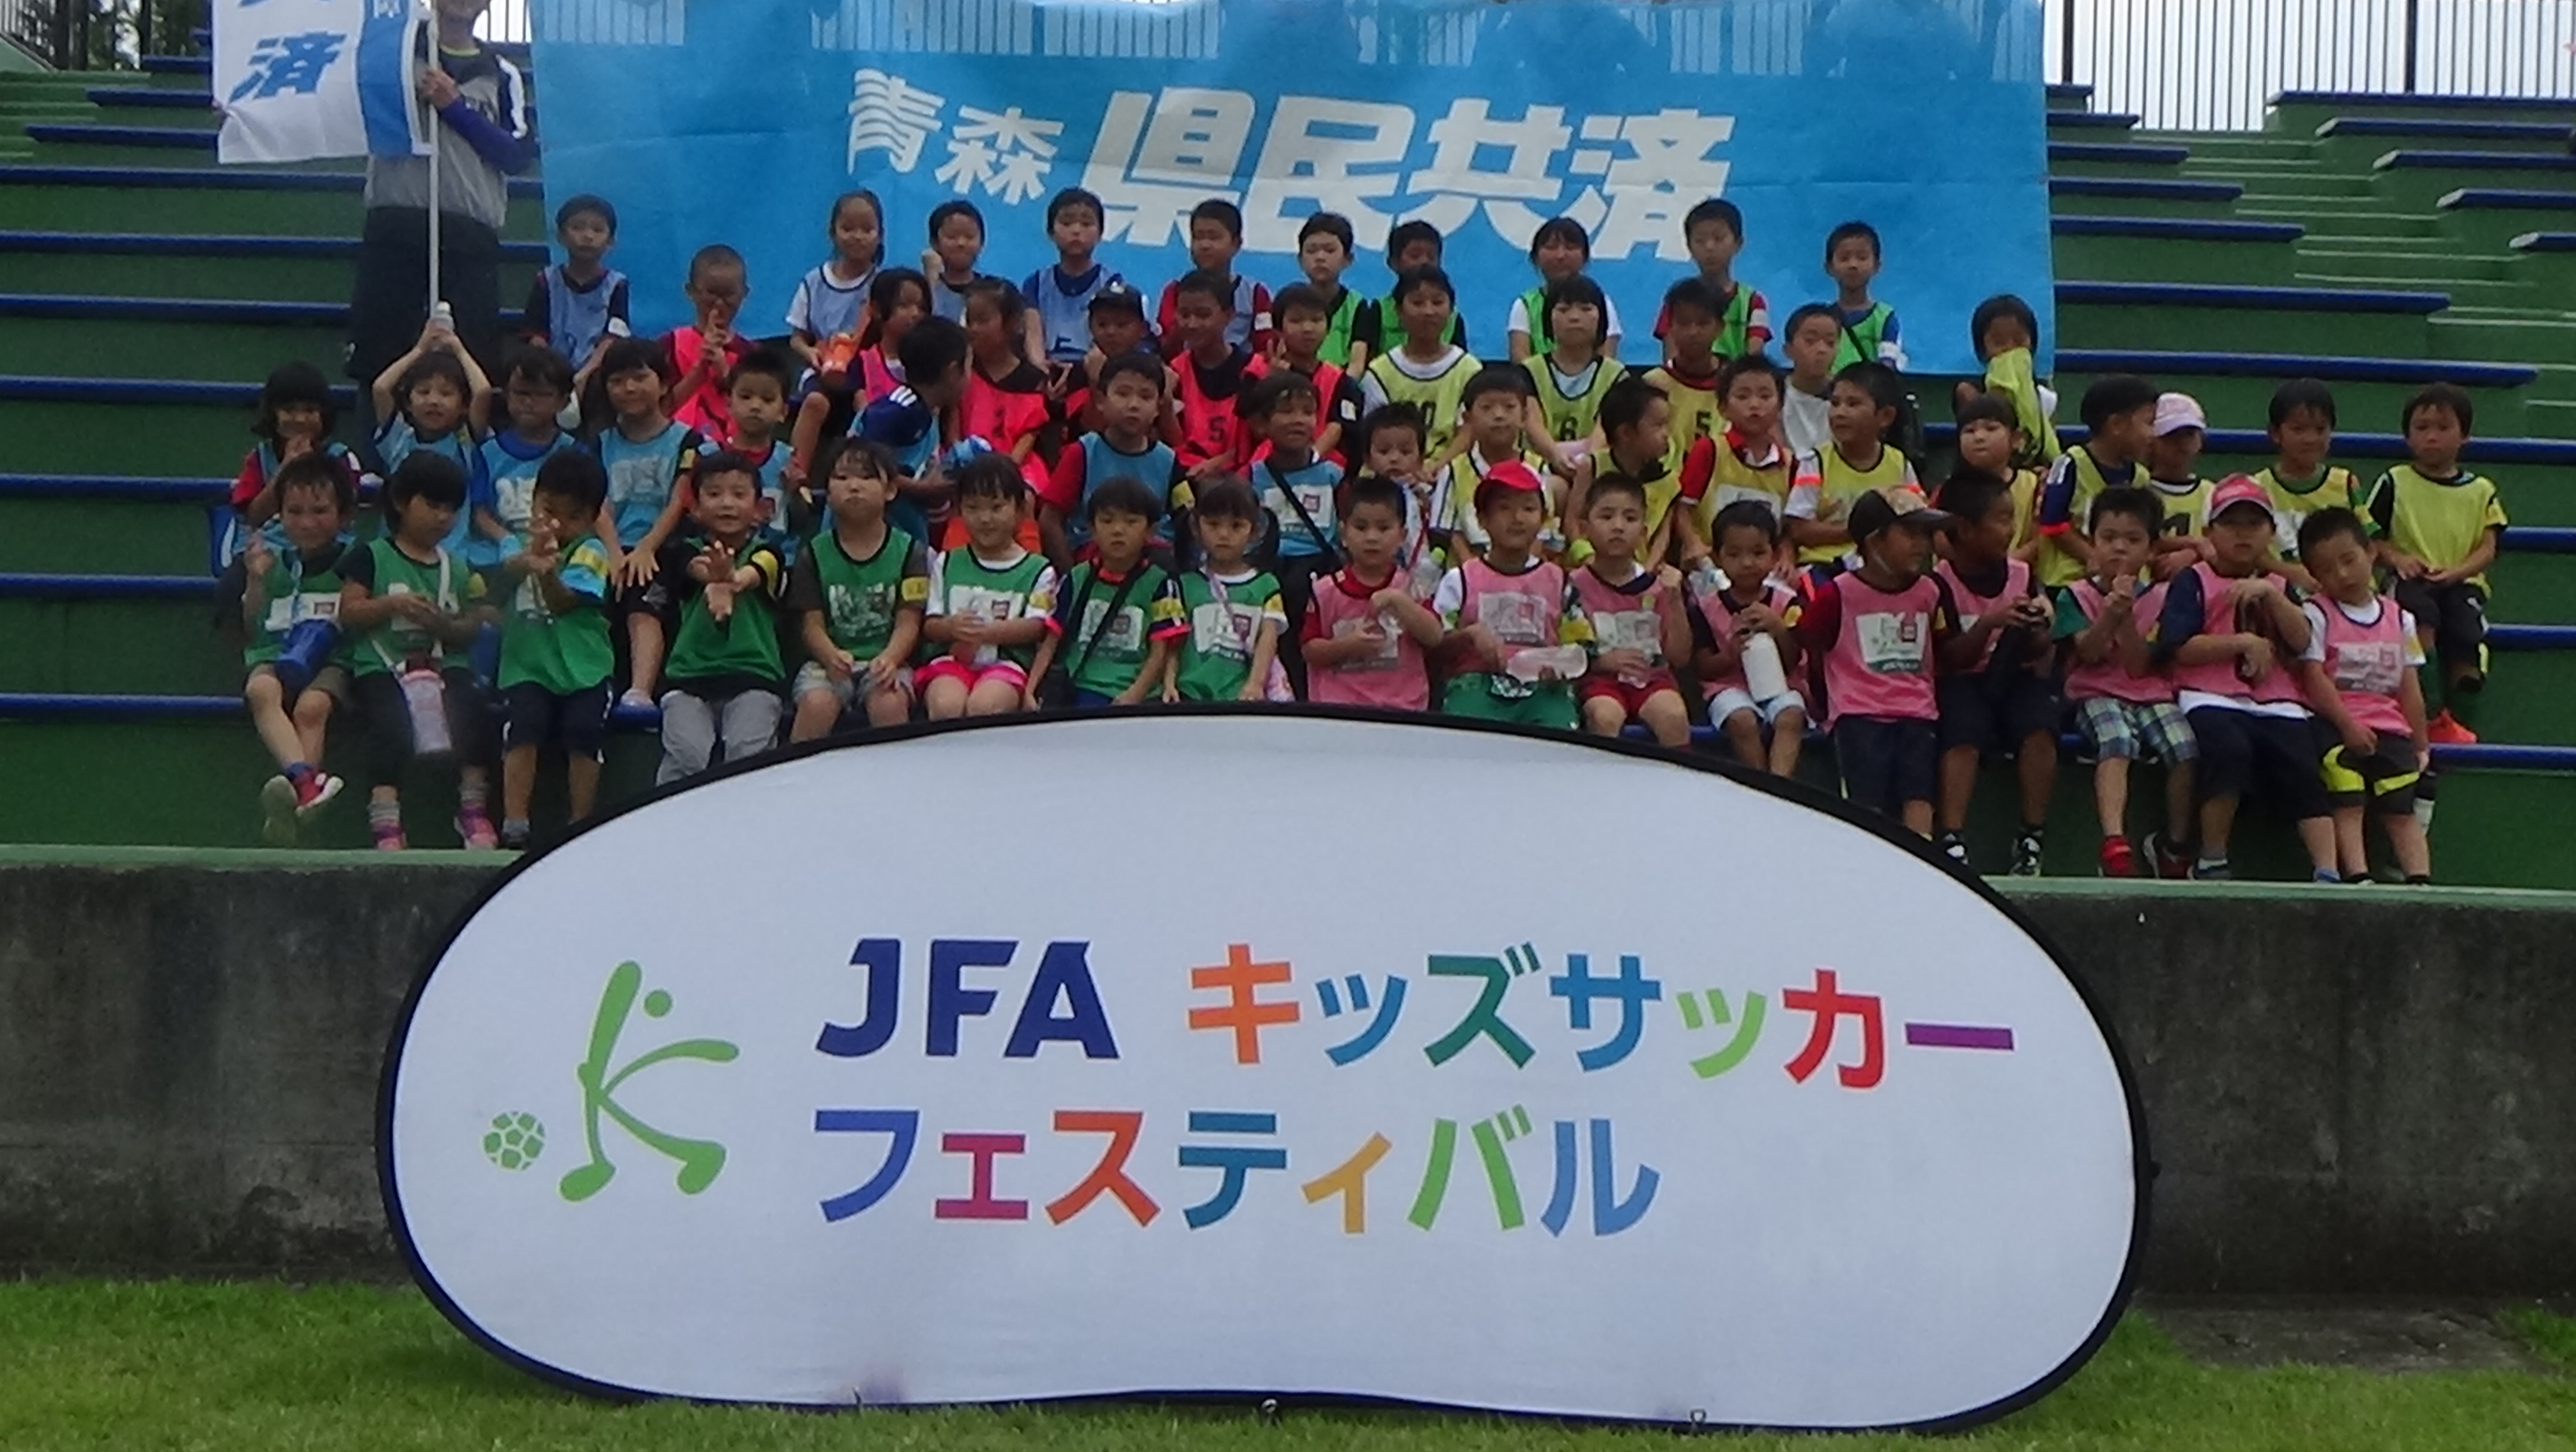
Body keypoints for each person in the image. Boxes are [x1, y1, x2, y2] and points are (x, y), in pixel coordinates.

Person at [2153, 474, 2340, 882]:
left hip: (2276, 697)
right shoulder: (2194, 579)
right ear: (2209, 532)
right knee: (2228, 751)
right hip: (2208, 693)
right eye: (2230, 524)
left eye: (2254, 525)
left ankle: (2328, 868)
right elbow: (2179, 646)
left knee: (2302, 761)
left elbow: (2302, 639)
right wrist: (2240, 643)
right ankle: (2213, 856)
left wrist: (2273, 597)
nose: (2243, 534)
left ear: (2271, 532)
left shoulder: (2277, 585)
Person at [347, 0, 530, 389]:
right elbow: (329, 106)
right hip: (396, 223)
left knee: (470, 360)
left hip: (468, 230)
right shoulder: (388, 55)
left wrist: (456, 108)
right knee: (381, 357)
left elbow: (515, 155)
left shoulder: (501, 73)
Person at [335, 454, 496, 850]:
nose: (442, 517)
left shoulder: (458, 567)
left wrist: (443, 625)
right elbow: (349, 611)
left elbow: (473, 624)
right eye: (432, 505)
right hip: (384, 664)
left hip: (443, 664)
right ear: (402, 502)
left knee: (474, 711)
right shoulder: (371, 556)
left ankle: (473, 810)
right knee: (388, 723)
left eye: (451, 509)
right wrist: (393, 606)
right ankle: (386, 822)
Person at [2053, 486, 2197, 879]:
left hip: (2149, 691)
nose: (2119, 549)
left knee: (2185, 746)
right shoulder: (2075, 595)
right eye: (2108, 538)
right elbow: (2089, 653)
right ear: (2093, 542)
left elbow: (2139, 666)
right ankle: (2114, 841)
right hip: (2094, 691)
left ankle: (2175, 844)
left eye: (2132, 540)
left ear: (2151, 550)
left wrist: (2128, 616)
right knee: (2117, 739)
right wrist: (2108, 615)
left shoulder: (2165, 597)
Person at [1798, 491, 1953, 835]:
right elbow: (1812, 647)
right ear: (1874, 541)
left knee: (1919, 793)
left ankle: (1922, 858)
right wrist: (1827, 706)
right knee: (1865, 802)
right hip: (1858, 714)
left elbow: (1944, 647)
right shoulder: (1836, 594)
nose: (1922, 545)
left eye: (1925, 536)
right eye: (1910, 534)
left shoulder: (1930, 592)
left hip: (1917, 713)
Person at [1931, 470, 2060, 876]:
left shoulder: (2022, 576)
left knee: (2040, 727)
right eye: (2001, 520)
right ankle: (1952, 837)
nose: (2011, 530)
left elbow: (2040, 650)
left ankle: (2031, 835)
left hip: (2015, 675)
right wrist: (1989, 623)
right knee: (1963, 733)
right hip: (1965, 679)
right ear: (1966, 529)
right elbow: (1951, 657)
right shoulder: (1941, 583)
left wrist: (2037, 628)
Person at [220, 452, 353, 843]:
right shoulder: (273, 562)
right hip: (275, 653)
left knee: (313, 707)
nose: (307, 522)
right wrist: (256, 581)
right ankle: (304, 786)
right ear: (279, 515)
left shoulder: (354, 561)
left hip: (332, 659)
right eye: (294, 512)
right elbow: (253, 626)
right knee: (260, 689)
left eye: (320, 511)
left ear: (344, 515)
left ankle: (294, 805)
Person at [2296, 507, 2434, 884]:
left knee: (2401, 809)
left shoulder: (2399, 618)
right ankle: (2357, 875)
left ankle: (2419, 879)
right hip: (2336, 724)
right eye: (2327, 569)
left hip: (2390, 727)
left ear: (2371, 552)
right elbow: (2314, 677)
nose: (2342, 574)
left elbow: (2409, 685)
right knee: (2348, 800)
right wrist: (2347, 724)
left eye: (2349, 560)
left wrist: (2421, 743)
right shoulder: (2317, 614)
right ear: (2313, 576)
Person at [2368, 382, 2504, 747]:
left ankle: (2459, 716)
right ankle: (2428, 711)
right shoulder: (2394, 481)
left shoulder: (2481, 490)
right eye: (2422, 428)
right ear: (2408, 436)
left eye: (2443, 428)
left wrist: (2459, 572)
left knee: (2466, 633)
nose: (2432, 437)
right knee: (2419, 622)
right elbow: (2371, 539)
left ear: (2465, 435)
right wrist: (2399, 559)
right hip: (2410, 579)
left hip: (2462, 582)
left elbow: (2488, 546)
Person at [495, 450, 616, 850]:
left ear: (592, 517)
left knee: (583, 732)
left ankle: (580, 824)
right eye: (548, 508)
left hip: (585, 670)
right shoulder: (514, 543)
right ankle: (515, 823)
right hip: (527, 666)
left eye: (573, 516)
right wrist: (530, 557)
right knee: (523, 726)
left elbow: (565, 602)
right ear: (534, 501)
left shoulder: (592, 551)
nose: (559, 524)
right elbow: (503, 574)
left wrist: (547, 571)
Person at [657, 452, 789, 782]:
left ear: (760, 510)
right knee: (687, 756)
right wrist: (715, 577)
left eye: (739, 494)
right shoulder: (680, 551)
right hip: (688, 679)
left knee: (748, 757)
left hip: (754, 678)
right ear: (696, 508)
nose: (727, 503)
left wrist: (730, 580)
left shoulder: (769, 552)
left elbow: (755, 573)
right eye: (714, 494)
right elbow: (697, 569)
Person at [786, 440, 929, 741]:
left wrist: (890, 659)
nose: (854, 486)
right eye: (842, 478)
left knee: (889, 703)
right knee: (817, 703)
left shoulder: (910, 552)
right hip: (829, 661)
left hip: (886, 660)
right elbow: (811, 624)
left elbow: (909, 621)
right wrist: (830, 656)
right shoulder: (812, 554)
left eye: (866, 478)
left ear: (890, 490)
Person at [595, 337, 704, 709]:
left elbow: (680, 500)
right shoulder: (601, 443)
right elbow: (600, 505)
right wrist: (613, 552)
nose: (628, 388)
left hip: (666, 546)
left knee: (644, 598)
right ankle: (596, 685)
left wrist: (645, 548)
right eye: (617, 380)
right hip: (611, 544)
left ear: (663, 383)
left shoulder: (687, 441)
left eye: (640, 377)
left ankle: (640, 690)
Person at [1435, 461, 1579, 729]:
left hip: (1543, 691)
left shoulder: (1560, 582)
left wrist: (1562, 666)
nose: (1517, 518)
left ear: (1543, 518)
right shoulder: (1460, 580)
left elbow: (1582, 644)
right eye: (1504, 508)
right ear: (1482, 519)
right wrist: (1468, 636)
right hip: (1475, 686)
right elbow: (1435, 644)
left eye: (1528, 508)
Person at [1028, 478, 1187, 709]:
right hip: (1078, 687)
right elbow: (1052, 640)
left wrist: (1135, 694)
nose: (1118, 530)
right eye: (1107, 521)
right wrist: (1031, 689)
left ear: (1150, 531)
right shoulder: (1075, 578)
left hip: (1131, 694)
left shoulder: (1161, 583)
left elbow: (1159, 652)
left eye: (1131, 522)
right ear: (1092, 528)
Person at [920, 454, 1058, 720]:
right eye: (973, 508)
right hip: (952, 662)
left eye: (996, 508)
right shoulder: (946, 561)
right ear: (960, 510)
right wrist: (951, 627)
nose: (985, 519)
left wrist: (984, 632)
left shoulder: (1039, 570)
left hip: (1006, 666)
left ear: (1020, 510)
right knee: (946, 705)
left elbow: (1036, 627)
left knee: (984, 707)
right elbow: (930, 623)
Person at [1565, 474, 1691, 746]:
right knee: (1604, 716)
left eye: (1630, 519)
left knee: (1674, 715)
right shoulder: (1573, 586)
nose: (1618, 527)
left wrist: (1675, 600)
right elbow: (1567, 651)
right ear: (1585, 528)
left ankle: (1677, 785)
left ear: (1644, 532)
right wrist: (1601, 662)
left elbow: (1679, 657)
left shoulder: (1660, 587)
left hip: (1653, 679)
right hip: (1600, 681)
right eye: (1607, 517)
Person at [1301, 474, 1443, 711]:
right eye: (1361, 527)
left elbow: (1435, 637)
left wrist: (1398, 600)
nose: (1372, 537)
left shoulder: (1412, 587)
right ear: (1344, 534)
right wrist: (1347, 646)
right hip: (1339, 710)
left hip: (1402, 709)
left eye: (1384, 528)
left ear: (1401, 536)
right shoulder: (1325, 591)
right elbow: (1309, 650)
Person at [1687, 500, 1806, 775]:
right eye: (1734, 554)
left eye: (1758, 553)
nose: (1748, 563)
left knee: (1791, 715)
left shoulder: (1787, 603)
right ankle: (1759, 782)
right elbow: (1703, 667)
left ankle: (1779, 786)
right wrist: (1730, 654)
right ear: (1717, 557)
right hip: (1729, 687)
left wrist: (1778, 630)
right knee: (1742, 720)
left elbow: (1795, 660)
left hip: (1781, 685)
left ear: (1775, 555)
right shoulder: (1706, 607)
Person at [788, 267, 933, 481]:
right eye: (904, 305)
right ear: (875, 310)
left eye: (921, 307)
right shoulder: (865, 361)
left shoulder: (929, 361)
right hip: (872, 447)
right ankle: (795, 475)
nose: (915, 314)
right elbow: (863, 409)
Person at [1242, 372, 1340, 680]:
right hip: (1271, 571)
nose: (1298, 420)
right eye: (1286, 412)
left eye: (1307, 412)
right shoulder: (1251, 477)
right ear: (1262, 424)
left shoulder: (1334, 476)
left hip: (1317, 573)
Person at [1041, 353, 1181, 566]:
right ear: (1101, 400)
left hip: (1149, 568)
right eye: (1123, 394)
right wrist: (1071, 576)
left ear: (1158, 407)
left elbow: (1185, 521)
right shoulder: (1083, 452)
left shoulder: (1169, 461)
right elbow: (1050, 518)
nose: (1133, 405)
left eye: (1145, 396)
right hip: (1091, 563)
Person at [1786, 361, 1922, 569]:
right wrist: (1857, 530)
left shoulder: (1899, 464)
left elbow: (1916, 518)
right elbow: (1798, 529)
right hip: (1824, 566)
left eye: (1853, 404)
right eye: (1835, 403)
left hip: (1883, 569)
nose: (1839, 413)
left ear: (1885, 416)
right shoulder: (1816, 463)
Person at [370, 321, 488, 555]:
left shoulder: (465, 442)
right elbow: (380, 388)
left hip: (452, 554)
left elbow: (483, 391)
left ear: (463, 405)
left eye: (446, 393)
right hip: (396, 554)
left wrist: (459, 349)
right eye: (423, 392)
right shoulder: (398, 438)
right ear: (408, 402)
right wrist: (420, 349)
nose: (433, 401)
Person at [1169, 477, 1289, 702]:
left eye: (1236, 526)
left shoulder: (1266, 585)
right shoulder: (1184, 584)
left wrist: (1255, 684)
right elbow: (1173, 641)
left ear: (1255, 530)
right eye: (1213, 525)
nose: (1224, 534)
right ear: (1196, 527)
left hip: (1241, 696)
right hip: (1189, 693)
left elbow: (1268, 638)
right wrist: (1169, 682)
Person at [2034, 374, 2157, 588]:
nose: (2152, 434)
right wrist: (2091, 556)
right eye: (2148, 423)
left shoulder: (2140, 476)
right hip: (2069, 583)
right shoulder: (2070, 463)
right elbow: (2052, 522)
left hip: (2126, 583)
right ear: (2117, 424)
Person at [857, 314, 970, 546]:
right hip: (871, 540)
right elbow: (864, 461)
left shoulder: (930, 412)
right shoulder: (898, 410)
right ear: (952, 372)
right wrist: (921, 490)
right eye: (969, 366)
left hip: (906, 536)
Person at [1676, 353, 1793, 568]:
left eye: (1765, 396)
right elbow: (1683, 509)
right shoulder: (1709, 450)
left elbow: (1787, 527)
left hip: (1764, 571)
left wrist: (1787, 557)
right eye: (1743, 396)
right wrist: (1694, 544)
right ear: (1723, 407)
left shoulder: (1789, 463)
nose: (1755, 405)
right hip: (1711, 567)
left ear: (1780, 407)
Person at [467, 346, 576, 574]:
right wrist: (507, 540)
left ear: (563, 401)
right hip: (499, 555)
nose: (529, 402)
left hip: (557, 551)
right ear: (506, 394)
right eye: (521, 393)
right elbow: (480, 513)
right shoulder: (488, 453)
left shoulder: (573, 453)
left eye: (541, 394)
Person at [956, 279, 1054, 521]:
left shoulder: (1032, 379)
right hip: (965, 462)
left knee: (1022, 498)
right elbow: (953, 426)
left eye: (983, 321)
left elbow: (1029, 435)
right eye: (970, 321)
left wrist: (1005, 470)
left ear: (1012, 324)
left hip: (1016, 464)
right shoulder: (961, 373)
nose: (974, 329)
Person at [1433, 366, 1556, 560]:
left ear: (1524, 417)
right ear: (1468, 419)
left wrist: (1521, 572)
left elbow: (1543, 530)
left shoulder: (1537, 467)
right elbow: (1451, 532)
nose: (1499, 415)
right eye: (1487, 408)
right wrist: (1477, 572)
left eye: (1509, 407)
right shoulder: (1453, 471)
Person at [1360, 266, 1480, 461]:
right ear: (1399, 310)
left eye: (1438, 302)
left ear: (1451, 310)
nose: (1428, 311)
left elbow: (1467, 433)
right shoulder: (1380, 372)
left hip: (1450, 472)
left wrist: (1435, 468)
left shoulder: (1469, 369)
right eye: (1417, 303)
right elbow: (1376, 436)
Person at [2254, 378, 2361, 592]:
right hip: (2281, 595)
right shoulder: (2257, 488)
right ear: (2275, 433)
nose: (2310, 439)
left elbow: (2366, 544)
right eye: (2299, 429)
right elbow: (2251, 554)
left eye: (2320, 430)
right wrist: (2289, 571)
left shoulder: (2346, 483)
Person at [520, 194, 629, 403]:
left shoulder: (617, 284)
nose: (588, 236)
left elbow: (612, 338)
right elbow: (536, 336)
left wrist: (584, 376)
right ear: (561, 236)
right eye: (577, 228)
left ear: (611, 241)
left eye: (598, 230)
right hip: (550, 369)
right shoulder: (546, 280)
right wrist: (552, 373)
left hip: (596, 371)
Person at [231, 360, 361, 533]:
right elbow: (254, 517)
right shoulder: (259, 458)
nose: (300, 419)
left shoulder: (340, 457)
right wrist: (287, 468)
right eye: (289, 410)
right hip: (270, 548)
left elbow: (344, 516)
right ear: (273, 413)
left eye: (310, 410)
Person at [1519, 275, 1620, 475]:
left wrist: (1587, 463)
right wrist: (1556, 456)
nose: (1574, 317)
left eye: (1586, 309)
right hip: (1539, 468)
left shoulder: (1616, 375)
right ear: (1548, 319)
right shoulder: (1528, 371)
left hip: (1596, 470)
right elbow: (1532, 424)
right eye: (1564, 310)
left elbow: (1606, 429)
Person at [1253, 283, 1363, 462]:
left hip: (1324, 468)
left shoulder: (1341, 381)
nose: (1308, 329)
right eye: (1296, 321)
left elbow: (1339, 428)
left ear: (1328, 327)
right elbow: (1254, 428)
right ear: (1278, 329)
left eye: (1316, 320)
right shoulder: (1257, 370)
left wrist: (1309, 459)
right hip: (1268, 466)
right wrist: (1271, 382)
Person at [1655, 198, 1770, 360]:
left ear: (1738, 244)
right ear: (1689, 246)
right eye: (1700, 240)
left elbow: (1754, 357)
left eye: (1719, 239)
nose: (1709, 247)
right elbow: (1671, 357)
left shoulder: (1753, 301)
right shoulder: (1678, 299)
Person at [1156, 199, 1272, 357]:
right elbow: (1167, 345)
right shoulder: (1175, 291)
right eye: (1198, 237)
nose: (1205, 245)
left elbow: (1266, 346)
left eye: (1214, 237)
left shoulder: (1255, 293)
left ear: (1236, 244)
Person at [785, 190, 885, 371]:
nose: (857, 236)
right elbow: (797, 338)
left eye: (867, 229)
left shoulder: (883, 284)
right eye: (848, 229)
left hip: (867, 373)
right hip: (821, 368)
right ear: (833, 233)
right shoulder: (814, 282)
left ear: (880, 236)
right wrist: (809, 352)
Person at [1169, 269, 1253, 484]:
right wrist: (1164, 403)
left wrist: (1220, 462)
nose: (1192, 324)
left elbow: (1261, 441)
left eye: (1203, 315)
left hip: (1242, 480)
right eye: (1184, 314)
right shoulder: (1174, 372)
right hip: (1187, 479)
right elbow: (1173, 443)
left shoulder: (1255, 371)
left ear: (1228, 315)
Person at [1024, 187, 1122, 367]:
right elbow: (1033, 335)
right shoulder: (1036, 283)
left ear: (1100, 233)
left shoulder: (1111, 283)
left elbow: (1108, 340)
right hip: (1047, 372)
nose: (1076, 231)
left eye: (1086, 224)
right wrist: (1041, 368)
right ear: (1051, 232)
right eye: (1067, 223)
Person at [664, 245, 753, 440]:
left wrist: (726, 375)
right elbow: (662, 407)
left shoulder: (751, 353)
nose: (719, 304)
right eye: (711, 294)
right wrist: (701, 367)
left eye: (728, 295)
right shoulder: (670, 344)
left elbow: (757, 412)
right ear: (691, 291)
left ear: (744, 293)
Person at [1508, 217, 1625, 362]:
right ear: (1535, 257)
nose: (1560, 255)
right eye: (1551, 247)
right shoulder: (1525, 304)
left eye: (1570, 248)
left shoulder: (1601, 302)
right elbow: (1520, 357)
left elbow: (1607, 358)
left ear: (1585, 256)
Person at [1644, 279, 1726, 481]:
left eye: (1703, 323)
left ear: (1720, 327)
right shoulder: (1653, 383)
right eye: (1684, 323)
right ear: (1670, 327)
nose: (1693, 332)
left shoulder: (1734, 384)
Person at [719, 350, 800, 552]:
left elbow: (800, 521)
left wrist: (795, 492)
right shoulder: (711, 455)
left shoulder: (788, 459)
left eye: (768, 399)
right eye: (746, 397)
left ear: (783, 412)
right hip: (721, 556)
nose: (755, 406)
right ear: (728, 404)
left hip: (778, 560)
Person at [1952, 390, 2039, 568]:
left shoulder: (2033, 484)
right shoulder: (1951, 489)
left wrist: (2011, 566)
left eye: (1991, 428)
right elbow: (1941, 541)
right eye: (1969, 430)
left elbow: (2040, 539)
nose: (1979, 437)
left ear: (2016, 439)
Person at [1360, 220, 1466, 358]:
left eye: (1431, 257)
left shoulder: (1454, 319)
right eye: (1415, 256)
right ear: (1393, 262)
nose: (1424, 262)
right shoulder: (1377, 311)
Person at [2142, 392, 2215, 579]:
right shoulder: (2137, 489)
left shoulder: (2211, 493)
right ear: (2152, 441)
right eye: (2171, 435)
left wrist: (2193, 554)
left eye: (2189, 435)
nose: (2182, 443)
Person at [1825, 220, 1906, 371]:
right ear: (1829, 267)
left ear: (1877, 266)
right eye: (1844, 258)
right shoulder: (1823, 319)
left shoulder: (1885, 318)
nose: (1853, 265)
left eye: (1862, 258)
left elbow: (1888, 367)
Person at [1292, 212, 1367, 371]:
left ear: (1348, 259)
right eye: (1312, 251)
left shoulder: (1359, 307)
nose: (1320, 257)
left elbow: (1357, 364)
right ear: (1300, 259)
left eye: (1329, 250)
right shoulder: (1289, 304)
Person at [1778, 304, 1840, 458]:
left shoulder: (1846, 398)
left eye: (1830, 343)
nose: (1821, 349)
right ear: (1788, 350)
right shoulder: (1774, 396)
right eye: (1810, 341)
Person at [923, 199, 993, 323]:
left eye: (970, 237)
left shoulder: (993, 292)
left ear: (982, 242)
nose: (961, 243)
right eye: (952, 237)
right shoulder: (923, 290)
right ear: (934, 243)